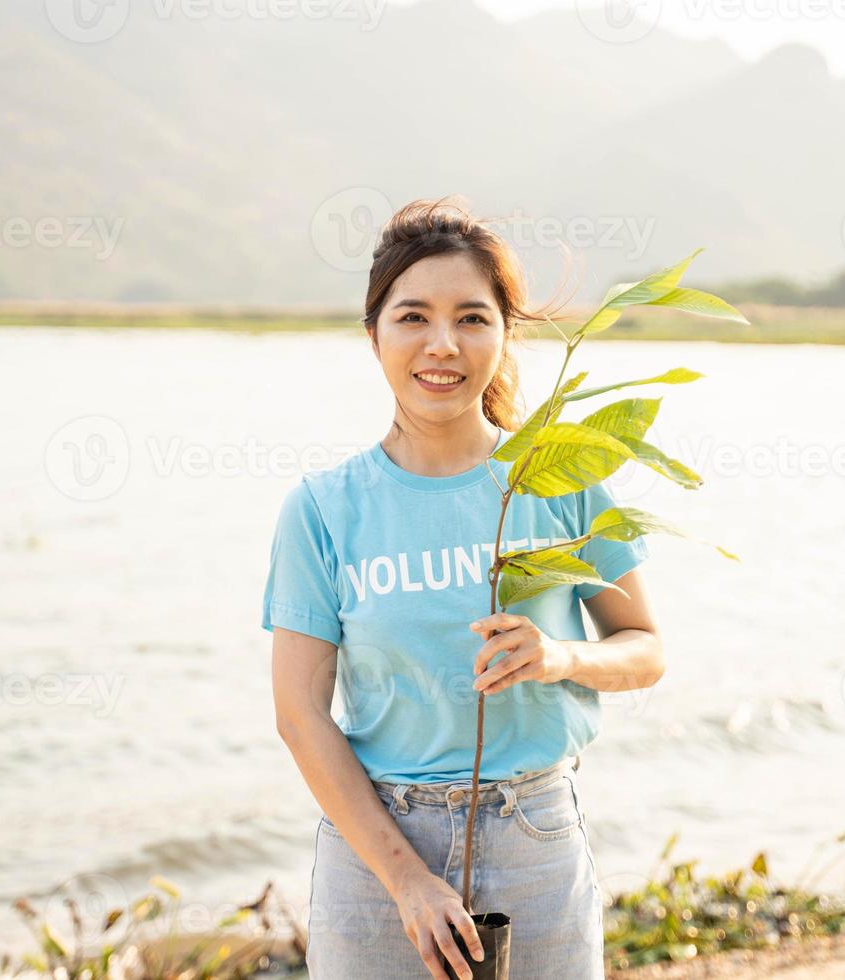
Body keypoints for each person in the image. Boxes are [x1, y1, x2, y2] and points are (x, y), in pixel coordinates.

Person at [264, 197, 665, 980]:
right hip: (377, 845)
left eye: (472, 318)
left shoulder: (559, 478)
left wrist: (559, 657)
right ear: (373, 333)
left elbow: (645, 651)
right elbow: (300, 716)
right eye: (413, 316)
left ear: (505, 334)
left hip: (533, 836)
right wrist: (408, 882)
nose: (442, 345)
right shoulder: (323, 508)